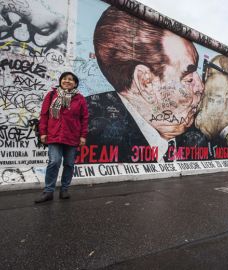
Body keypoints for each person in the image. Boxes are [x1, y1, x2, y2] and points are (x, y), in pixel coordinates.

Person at [86, 6, 207, 163]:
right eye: (189, 78)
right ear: (145, 82)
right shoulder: (93, 132)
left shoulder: (196, 138)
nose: (200, 87)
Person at [35, 72, 88, 203]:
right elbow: (44, 115)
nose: (67, 81)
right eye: (64, 79)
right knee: (54, 162)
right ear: (60, 81)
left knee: (69, 164)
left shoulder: (80, 98)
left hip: (72, 136)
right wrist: (43, 132)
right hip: (54, 134)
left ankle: (64, 189)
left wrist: (83, 136)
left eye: (70, 80)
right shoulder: (52, 95)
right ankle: (48, 191)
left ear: (75, 83)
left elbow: (84, 118)